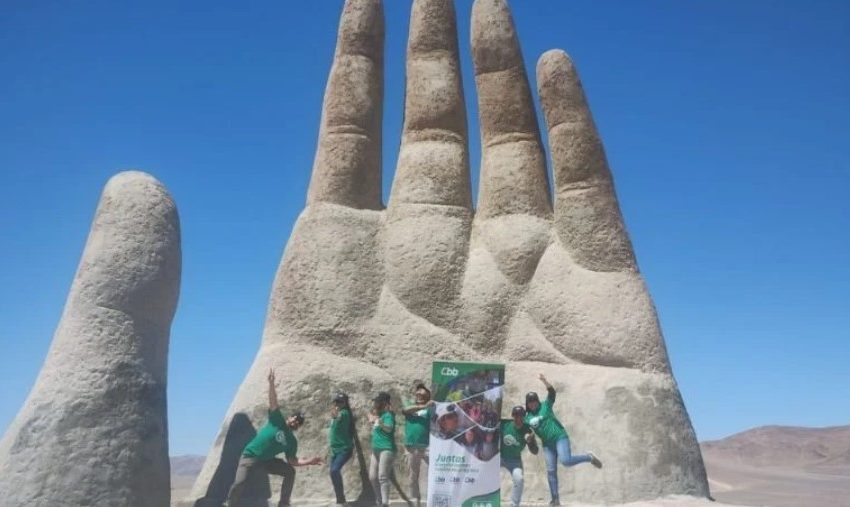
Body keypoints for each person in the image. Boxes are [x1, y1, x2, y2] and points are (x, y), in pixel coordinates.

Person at [227, 369, 322, 507]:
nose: (295, 422)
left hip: (266, 461)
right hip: (250, 456)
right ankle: (230, 504)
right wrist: (271, 383)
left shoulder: (291, 441)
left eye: (298, 422)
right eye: (294, 419)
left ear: (298, 426)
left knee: (290, 471)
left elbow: (292, 460)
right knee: (239, 483)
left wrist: (309, 461)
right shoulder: (277, 420)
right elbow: (273, 401)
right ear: (289, 418)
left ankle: (283, 504)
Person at [525, 373, 602, 506]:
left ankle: (589, 457)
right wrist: (529, 438)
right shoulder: (527, 417)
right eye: (530, 402)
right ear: (527, 404)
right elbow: (528, 432)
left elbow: (552, 392)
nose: (532, 404)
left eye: (534, 401)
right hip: (547, 445)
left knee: (566, 460)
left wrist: (545, 381)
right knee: (551, 471)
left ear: (537, 400)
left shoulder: (545, 405)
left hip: (560, 437)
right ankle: (555, 500)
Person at [500, 406, 538, 507]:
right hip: (499, 457)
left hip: (514, 460)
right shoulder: (504, 424)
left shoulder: (527, 430)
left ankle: (514, 504)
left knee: (519, 479)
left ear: (524, 417)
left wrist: (531, 442)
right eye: (516, 416)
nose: (518, 419)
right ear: (513, 417)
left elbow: (535, 451)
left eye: (521, 417)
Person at [401, 383, 433, 506]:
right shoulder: (409, 404)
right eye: (418, 393)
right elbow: (405, 411)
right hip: (411, 446)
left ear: (427, 396)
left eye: (423, 394)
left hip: (427, 446)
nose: (419, 395)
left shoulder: (430, 408)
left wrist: (429, 406)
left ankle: (426, 501)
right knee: (412, 476)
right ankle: (414, 501)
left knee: (427, 475)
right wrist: (423, 406)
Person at [367, 391, 396, 507]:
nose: (375, 403)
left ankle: (384, 503)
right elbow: (370, 415)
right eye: (375, 401)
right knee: (372, 477)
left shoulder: (388, 415)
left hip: (386, 449)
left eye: (378, 401)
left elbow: (389, 429)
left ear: (384, 402)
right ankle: (379, 501)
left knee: (382, 476)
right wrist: (372, 417)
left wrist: (380, 422)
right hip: (376, 449)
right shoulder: (379, 414)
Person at [328, 392, 354, 506]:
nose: (337, 403)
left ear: (344, 403)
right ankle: (340, 499)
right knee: (333, 473)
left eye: (340, 401)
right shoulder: (337, 414)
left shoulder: (345, 413)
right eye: (336, 401)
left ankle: (341, 500)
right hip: (335, 450)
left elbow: (338, 416)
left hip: (344, 449)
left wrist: (334, 410)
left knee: (334, 470)